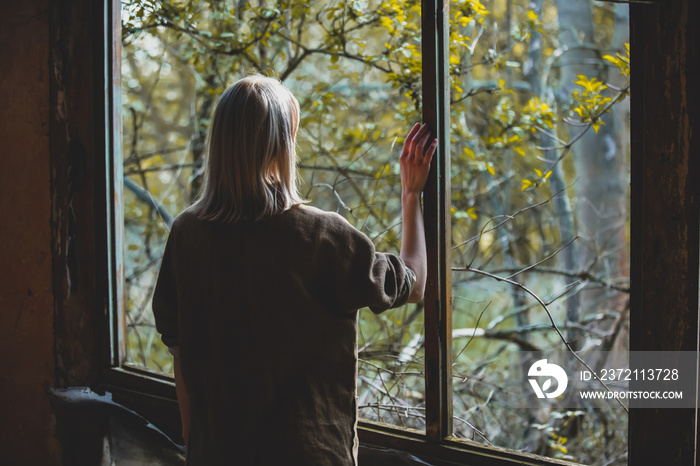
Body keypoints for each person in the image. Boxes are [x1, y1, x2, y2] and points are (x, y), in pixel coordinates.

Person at [152, 74, 437, 465]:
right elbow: (414, 283)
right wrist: (410, 195)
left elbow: (178, 347)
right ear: (281, 147)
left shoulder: (188, 233)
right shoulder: (322, 235)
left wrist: (195, 441)